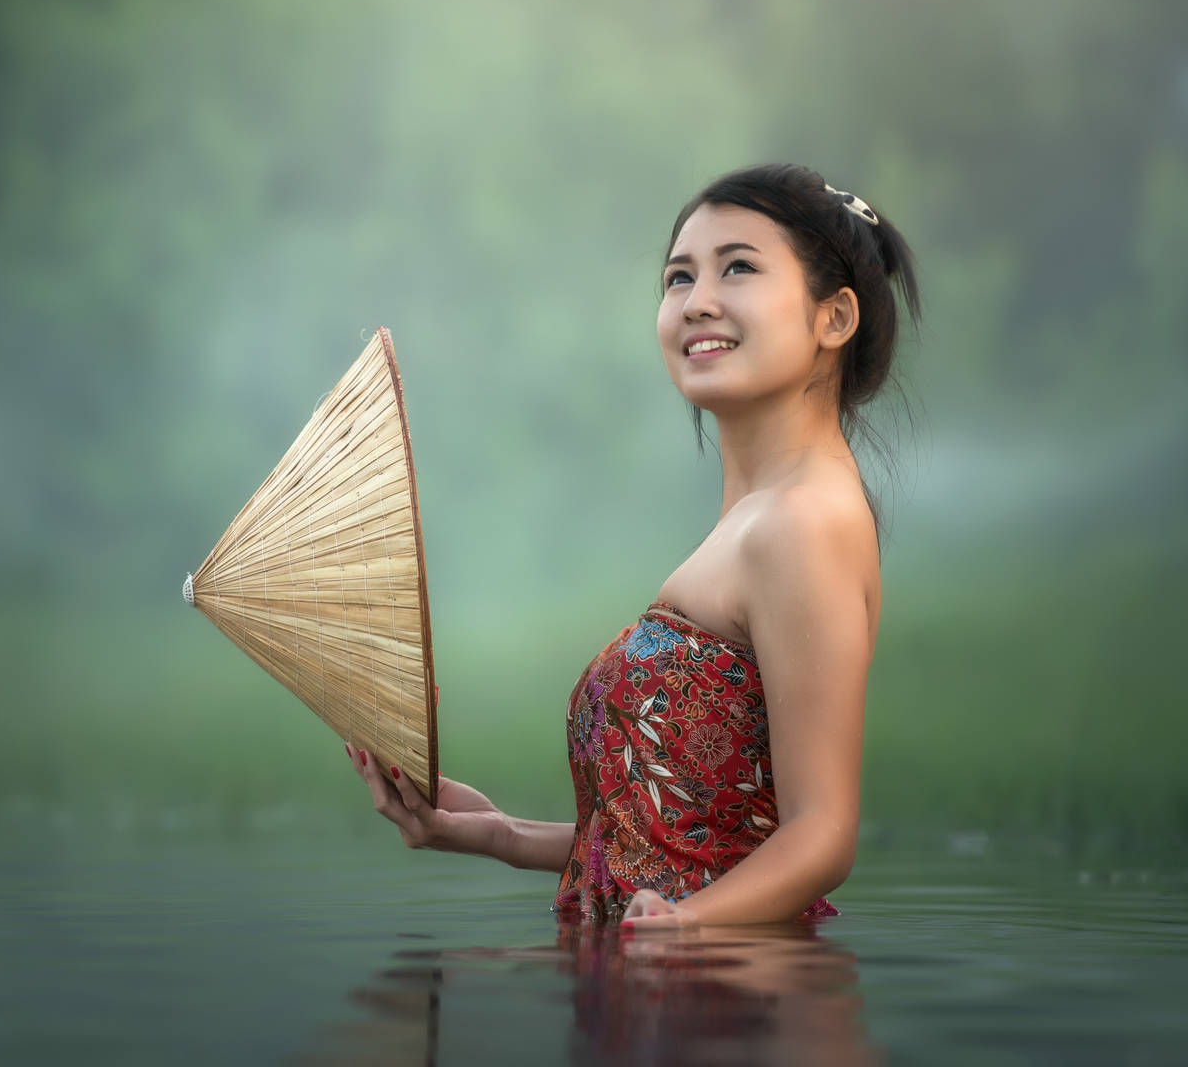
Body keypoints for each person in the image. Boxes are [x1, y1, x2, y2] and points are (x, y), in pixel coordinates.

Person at [347, 162, 920, 930]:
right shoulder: (755, 520)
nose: (697, 301)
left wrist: (684, 930)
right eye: (678, 277)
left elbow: (822, 837)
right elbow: (685, 841)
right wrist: (495, 833)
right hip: (661, 996)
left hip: (734, 1010)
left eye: (738, 267)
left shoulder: (802, 524)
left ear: (833, 319)